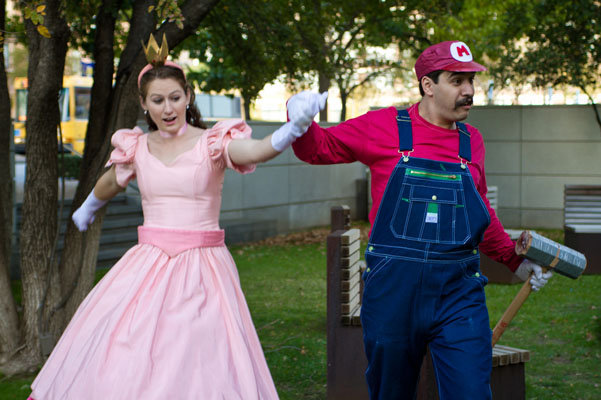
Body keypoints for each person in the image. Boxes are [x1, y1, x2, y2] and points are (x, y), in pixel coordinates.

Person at [27, 34, 325, 400]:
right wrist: (88, 207)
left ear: (188, 97)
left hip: (202, 269)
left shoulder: (212, 142)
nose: (167, 108)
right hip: (146, 266)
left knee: (193, 358)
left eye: (175, 97)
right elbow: (111, 181)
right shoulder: (136, 146)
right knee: (124, 351)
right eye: (157, 100)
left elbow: (255, 150)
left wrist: (292, 129)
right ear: (144, 104)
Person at [290, 40, 553, 399]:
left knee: (471, 392)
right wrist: (300, 119)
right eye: (457, 81)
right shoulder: (384, 126)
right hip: (393, 292)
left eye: (470, 81)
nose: (469, 91)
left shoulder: (471, 142)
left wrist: (514, 261)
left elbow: (480, 214)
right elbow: (318, 149)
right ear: (428, 85)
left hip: (458, 292)